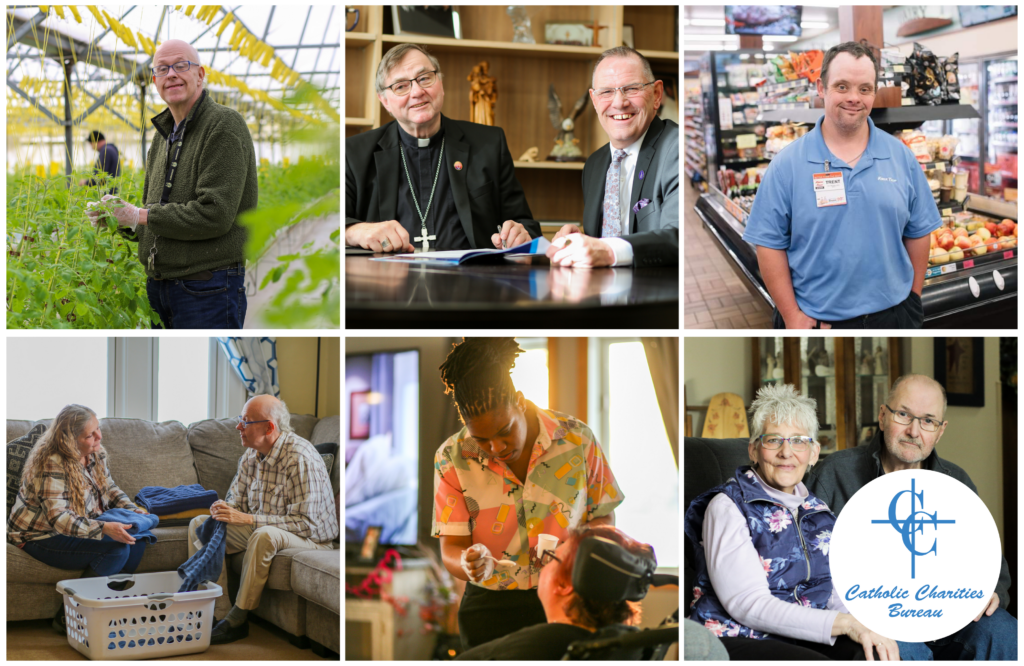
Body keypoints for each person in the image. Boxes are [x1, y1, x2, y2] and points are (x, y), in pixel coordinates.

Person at [685, 384, 931, 660]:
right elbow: (748, 604)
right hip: (737, 635)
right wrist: (845, 624)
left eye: (799, 441)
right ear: (754, 450)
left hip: (799, 634)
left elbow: (837, 591)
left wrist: (865, 626)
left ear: (814, 453)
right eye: (773, 440)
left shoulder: (818, 511)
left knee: (873, 652)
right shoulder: (728, 506)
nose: (786, 453)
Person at [807, 374, 1017, 660]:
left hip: (947, 618)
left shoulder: (957, 482)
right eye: (903, 415)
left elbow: (993, 569)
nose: (914, 431)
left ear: (940, 431)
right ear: (882, 417)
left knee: (1005, 633)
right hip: (873, 617)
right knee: (903, 651)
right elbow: (804, 564)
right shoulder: (834, 474)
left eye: (928, 420)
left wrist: (991, 593)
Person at [433, 337, 623, 650]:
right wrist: (467, 564)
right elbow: (451, 548)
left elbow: (603, 514)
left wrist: (577, 552)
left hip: (566, 596)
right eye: (481, 440)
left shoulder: (577, 438)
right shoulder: (450, 458)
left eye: (504, 431)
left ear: (519, 401)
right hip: (489, 609)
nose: (496, 448)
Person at [743, 42, 940, 329]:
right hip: (818, 321)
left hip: (893, 316)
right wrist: (791, 316)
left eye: (864, 89)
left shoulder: (900, 156)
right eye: (842, 86)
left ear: (874, 92)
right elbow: (769, 245)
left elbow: (919, 230)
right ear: (822, 88)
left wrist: (913, 298)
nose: (854, 98)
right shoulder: (787, 165)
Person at [86, 39, 257, 329]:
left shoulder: (223, 126)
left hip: (207, 287)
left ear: (200, 75)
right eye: (162, 69)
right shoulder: (162, 136)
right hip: (161, 287)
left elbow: (215, 214)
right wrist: (122, 220)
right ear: (154, 81)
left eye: (181, 66)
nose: (171, 74)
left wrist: (139, 215)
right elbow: (154, 216)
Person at [346, 44, 541, 253]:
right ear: (384, 100)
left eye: (425, 78)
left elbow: (526, 226)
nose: (417, 92)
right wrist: (355, 231)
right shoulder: (354, 153)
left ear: (440, 83)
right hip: (388, 281)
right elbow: (327, 226)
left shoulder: (489, 144)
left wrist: (519, 236)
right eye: (401, 86)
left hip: (472, 281)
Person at [186, 395, 338, 644]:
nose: (238, 427)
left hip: (312, 538)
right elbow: (236, 500)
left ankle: (239, 617)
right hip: (267, 528)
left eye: (245, 421)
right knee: (200, 525)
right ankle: (219, 613)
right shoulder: (250, 456)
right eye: (240, 420)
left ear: (269, 427)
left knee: (264, 534)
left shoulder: (299, 458)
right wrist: (224, 509)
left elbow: (305, 523)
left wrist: (245, 518)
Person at [8, 404, 150, 633]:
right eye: (90, 435)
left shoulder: (95, 452)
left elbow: (109, 487)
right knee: (117, 549)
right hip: (40, 535)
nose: (99, 437)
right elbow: (60, 519)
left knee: (138, 538)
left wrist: (132, 509)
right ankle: (69, 616)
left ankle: (107, 608)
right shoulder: (51, 462)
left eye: (98, 429)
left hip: (77, 524)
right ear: (69, 440)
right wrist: (103, 528)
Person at [547, 46, 679, 268]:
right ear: (594, 99)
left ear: (656, 95)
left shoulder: (675, 149)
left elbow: (677, 237)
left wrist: (608, 251)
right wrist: (579, 241)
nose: (619, 102)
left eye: (631, 88)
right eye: (606, 92)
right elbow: (602, 243)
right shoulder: (595, 164)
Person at [455, 525, 651, 660]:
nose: (543, 565)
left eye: (553, 557)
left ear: (564, 584)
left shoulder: (538, 648)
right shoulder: (628, 645)